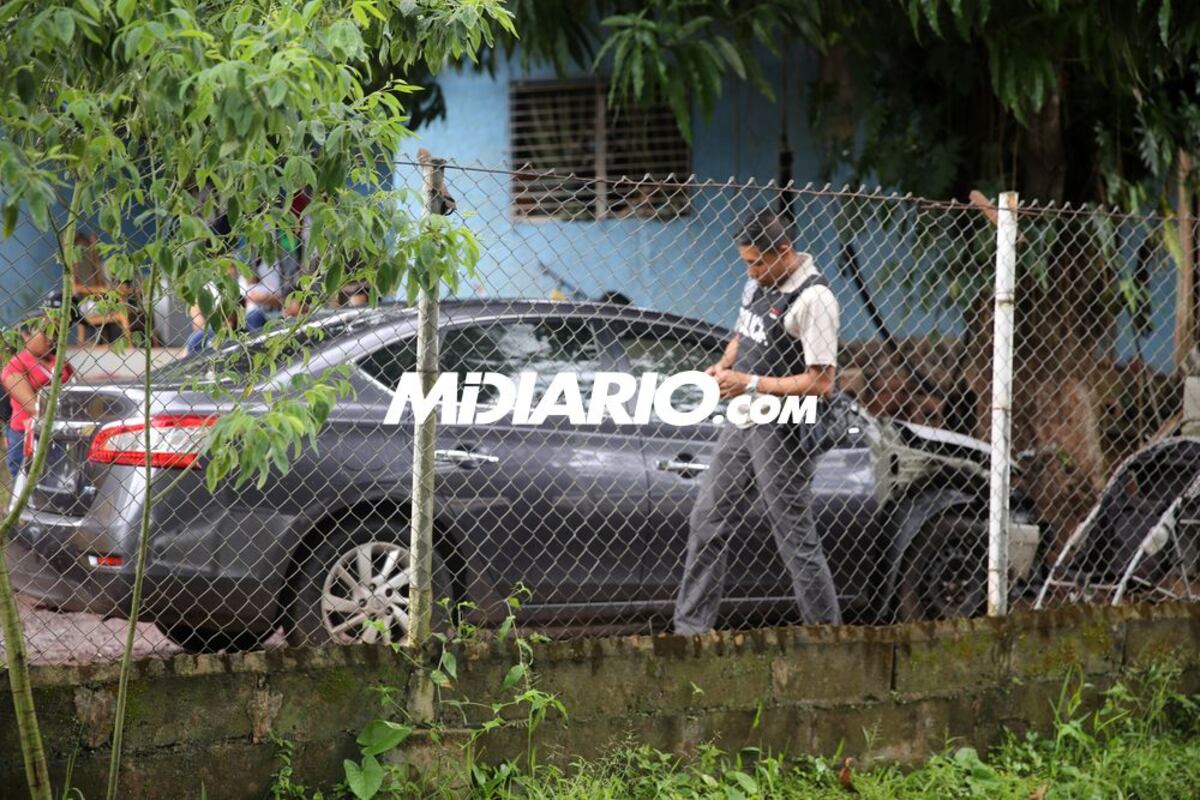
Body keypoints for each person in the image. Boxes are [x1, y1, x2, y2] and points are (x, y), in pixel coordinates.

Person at [673, 207, 843, 634]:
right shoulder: (757, 283)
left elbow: (822, 382)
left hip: (783, 428)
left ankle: (827, 636)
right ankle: (690, 633)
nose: (749, 271)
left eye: (756, 262)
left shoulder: (815, 300)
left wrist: (749, 382)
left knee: (793, 535)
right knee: (707, 521)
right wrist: (723, 365)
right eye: (745, 261)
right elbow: (742, 334)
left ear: (784, 251)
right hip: (742, 419)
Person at [3, 305, 77, 478]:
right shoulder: (15, 365)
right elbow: (33, 406)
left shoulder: (57, 360)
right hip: (28, 436)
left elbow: (76, 386)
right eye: (45, 332)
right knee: (29, 490)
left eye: (54, 331)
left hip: (60, 431)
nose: (51, 338)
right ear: (26, 335)